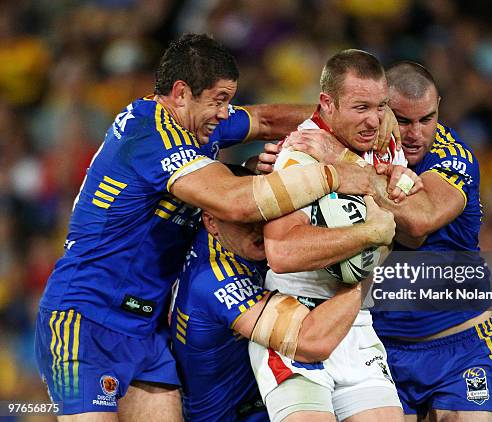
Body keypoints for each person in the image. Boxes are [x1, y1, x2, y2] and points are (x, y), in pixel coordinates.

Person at [34, 34, 402, 421]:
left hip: (146, 329)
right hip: (85, 317)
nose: (227, 113)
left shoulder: (199, 124)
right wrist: (334, 173)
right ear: (181, 94)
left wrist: (350, 116)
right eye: (220, 100)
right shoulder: (150, 135)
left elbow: (266, 119)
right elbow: (235, 202)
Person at [265, 61, 492, 421]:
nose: (415, 133)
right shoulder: (360, 142)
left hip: (461, 347)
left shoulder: (452, 156)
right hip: (383, 346)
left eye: (427, 119)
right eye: (402, 119)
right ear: (382, 109)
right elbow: (284, 120)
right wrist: (276, 161)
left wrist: (342, 166)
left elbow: (417, 224)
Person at [249, 50, 422, 422]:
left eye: (381, 107)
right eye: (361, 107)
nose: (374, 120)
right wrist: (366, 235)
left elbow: (412, 221)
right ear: (327, 103)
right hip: (296, 321)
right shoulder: (298, 156)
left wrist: (356, 166)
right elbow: (282, 251)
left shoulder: (383, 143)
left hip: (355, 322)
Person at [171, 164, 396, 421]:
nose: (258, 228)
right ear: (211, 222)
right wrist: (363, 269)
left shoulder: (229, 239)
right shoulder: (215, 281)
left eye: (263, 215)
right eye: (246, 220)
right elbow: (311, 343)